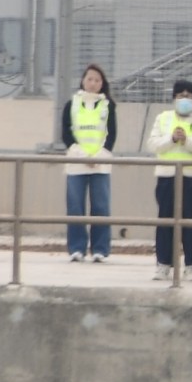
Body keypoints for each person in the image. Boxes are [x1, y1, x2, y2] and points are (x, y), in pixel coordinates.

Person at [147, 79, 192, 281]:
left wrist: (187, 140)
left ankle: (191, 265)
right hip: (167, 176)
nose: (184, 99)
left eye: (188, 95)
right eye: (180, 95)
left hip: (191, 176)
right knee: (165, 219)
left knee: (190, 220)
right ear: (174, 98)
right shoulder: (163, 118)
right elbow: (153, 144)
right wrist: (172, 139)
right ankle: (163, 264)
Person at [61, 63, 117, 263]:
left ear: (102, 83)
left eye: (97, 80)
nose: (93, 83)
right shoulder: (72, 104)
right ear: (83, 81)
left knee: (101, 206)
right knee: (75, 207)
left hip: (100, 164)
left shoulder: (108, 106)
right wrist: (82, 154)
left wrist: (98, 155)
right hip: (77, 162)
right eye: (90, 79)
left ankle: (100, 249)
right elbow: (66, 134)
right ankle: (77, 248)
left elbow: (111, 134)